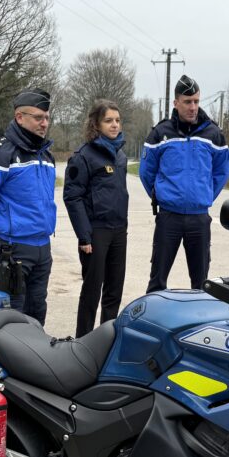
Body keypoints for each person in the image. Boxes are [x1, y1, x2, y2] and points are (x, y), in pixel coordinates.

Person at [0, 88, 56, 326]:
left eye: (46, 117)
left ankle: (36, 360)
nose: (44, 123)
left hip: (42, 248)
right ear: (19, 117)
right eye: (38, 118)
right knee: (12, 318)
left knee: (37, 313)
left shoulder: (46, 156)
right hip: (13, 250)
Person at [139, 75, 229, 292]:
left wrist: (204, 195)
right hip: (168, 217)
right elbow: (146, 172)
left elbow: (221, 172)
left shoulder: (213, 134)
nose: (193, 107)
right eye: (188, 102)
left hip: (199, 219)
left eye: (196, 101)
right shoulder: (161, 133)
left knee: (201, 284)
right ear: (176, 103)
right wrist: (162, 195)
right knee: (157, 281)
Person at [63, 100, 129, 337]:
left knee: (114, 291)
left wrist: (124, 227)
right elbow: (72, 197)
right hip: (95, 233)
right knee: (92, 291)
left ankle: (106, 339)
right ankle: (83, 342)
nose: (114, 125)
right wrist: (84, 235)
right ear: (96, 124)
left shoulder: (120, 156)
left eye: (117, 120)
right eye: (108, 120)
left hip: (118, 231)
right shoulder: (83, 156)